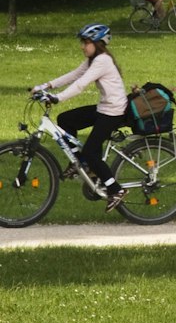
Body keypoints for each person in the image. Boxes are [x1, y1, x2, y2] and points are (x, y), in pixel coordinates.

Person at [31, 24, 129, 210]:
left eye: (86, 42)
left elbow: (80, 84)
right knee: (66, 119)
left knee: (91, 151)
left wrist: (58, 97)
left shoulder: (103, 61)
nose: (82, 46)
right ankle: (81, 163)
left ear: (98, 43)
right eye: (82, 42)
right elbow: (73, 75)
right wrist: (45, 86)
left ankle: (116, 189)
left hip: (114, 112)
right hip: (104, 108)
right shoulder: (94, 59)